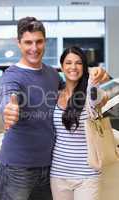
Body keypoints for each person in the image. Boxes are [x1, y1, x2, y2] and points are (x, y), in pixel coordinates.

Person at [0, 16, 109, 200]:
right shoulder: (11, 76)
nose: (34, 48)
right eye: (28, 42)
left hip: (48, 168)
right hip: (17, 169)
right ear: (18, 43)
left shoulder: (51, 74)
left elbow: (77, 89)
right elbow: (8, 97)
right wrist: (8, 109)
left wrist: (96, 76)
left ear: (45, 42)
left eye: (39, 41)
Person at [50, 46, 108, 200]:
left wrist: (96, 75)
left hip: (87, 176)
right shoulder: (54, 95)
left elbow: (98, 95)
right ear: (62, 66)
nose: (73, 67)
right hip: (58, 174)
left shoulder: (90, 94)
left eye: (78, 63)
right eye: (68, 63)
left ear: (84, 66)